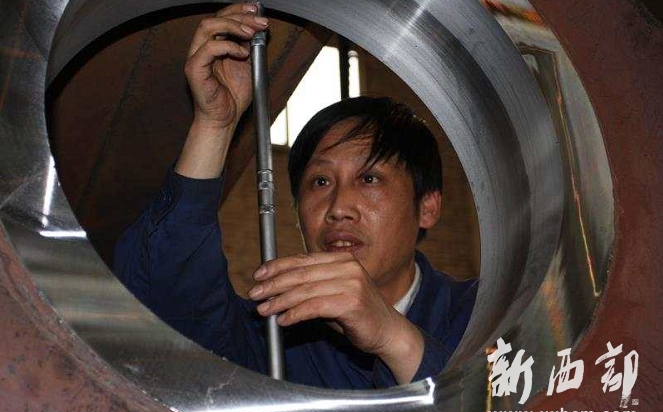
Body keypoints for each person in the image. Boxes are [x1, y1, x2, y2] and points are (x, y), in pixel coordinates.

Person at [113, 2, 477, 389]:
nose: (338, 208)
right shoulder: (273, 334)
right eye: (320, 182)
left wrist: (393, 337)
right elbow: (161, 307)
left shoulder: (482, 313)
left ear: (427, 207)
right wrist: (215, 124)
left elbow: (505, 407)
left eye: (369, 179)